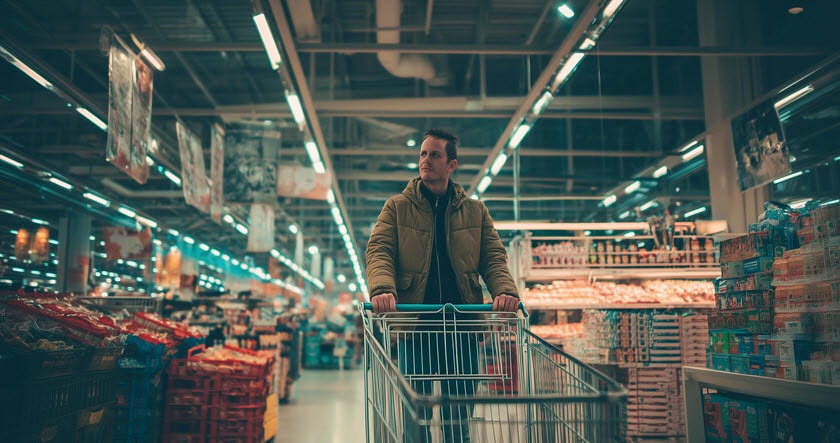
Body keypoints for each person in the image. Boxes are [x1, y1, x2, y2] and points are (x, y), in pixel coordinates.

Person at [365, 128, 520, 443]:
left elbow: (493, 257)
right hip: (415, 324)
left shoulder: (475, 211)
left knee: (458, 415)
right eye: (423, 154)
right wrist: (382, 288)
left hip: (462, 325)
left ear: (451, 164)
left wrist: (504, 290)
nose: (426, 160)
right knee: (415, 414)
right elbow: (379, 250)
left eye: (434, 154)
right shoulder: (396, 207)